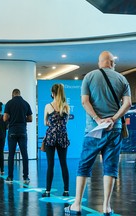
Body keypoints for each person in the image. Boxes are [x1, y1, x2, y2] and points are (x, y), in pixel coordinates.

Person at [64, 51, 131, 216]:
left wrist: (98, 119)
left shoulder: (89, 77)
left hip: (93, 130)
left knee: (84, 166)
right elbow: (128, 104)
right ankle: (106, 207)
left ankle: (77, 205)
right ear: (112, 63)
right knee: (110, 167)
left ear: (100, 62)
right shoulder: (122, 79)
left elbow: (84, 101)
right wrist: (113, 119)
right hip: (114, 130)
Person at [42, 84, 70, 197]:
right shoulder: (66, 107)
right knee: (64, 164)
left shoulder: (48, 106)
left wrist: (51, 123)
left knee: (50, 164)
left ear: (53, 93)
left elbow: (45, 122)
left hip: (51, 136)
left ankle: (48, 191)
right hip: (62, 136)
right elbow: (65, 122)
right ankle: (66, 190)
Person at [3, 89, 33, 184]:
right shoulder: (26, 103)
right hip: (23, 132)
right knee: (24, 154)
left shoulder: (9, 103)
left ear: (13, 94)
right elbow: (30, 118)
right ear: (20, 94)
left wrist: (12, 119)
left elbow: (5, 118)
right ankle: (26, 177)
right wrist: (22, 120)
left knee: (11, 154)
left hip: (12, 132)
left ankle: (10, 177)